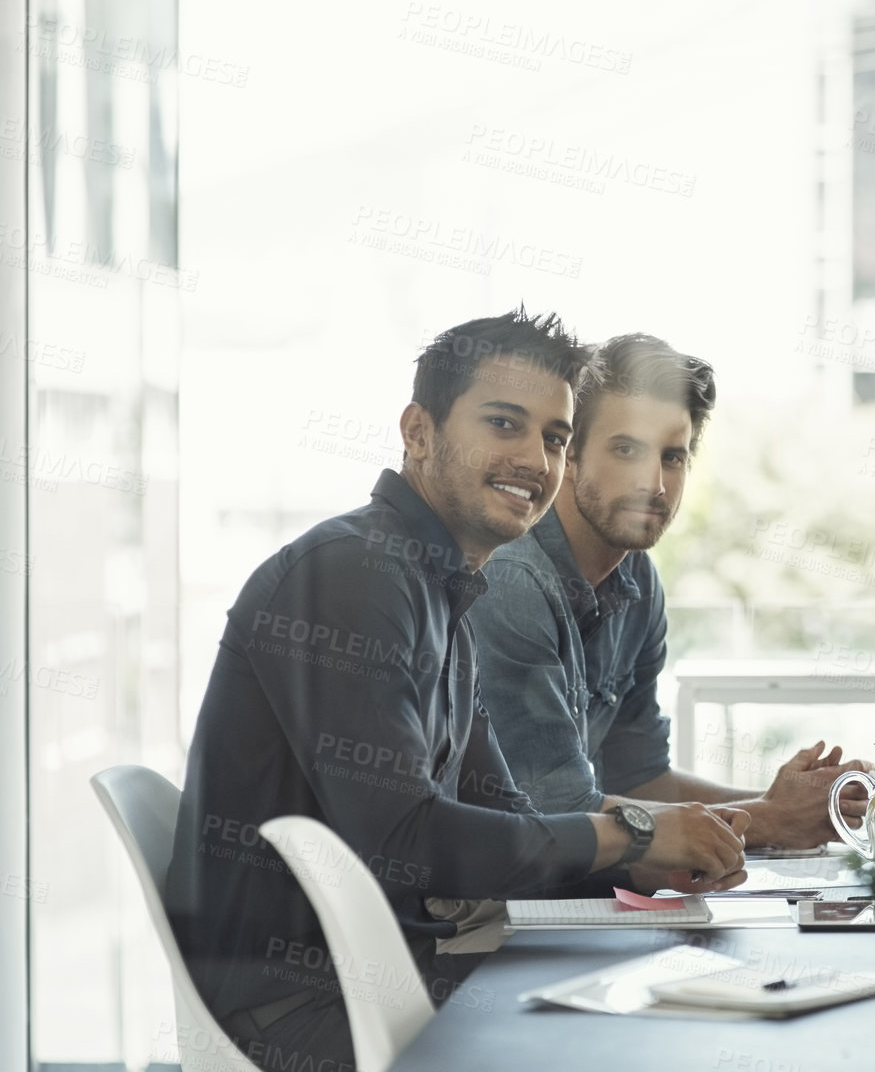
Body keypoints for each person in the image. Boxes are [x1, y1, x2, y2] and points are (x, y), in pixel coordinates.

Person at [166, 311, 750, 1072]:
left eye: (553, 437)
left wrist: (650, 858)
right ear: (418, 431)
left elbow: (508, 821)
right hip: (304, 1010)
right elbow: (409, 843)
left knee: (684, 1010)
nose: (535, 459)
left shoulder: (445, 591)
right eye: (504, 423)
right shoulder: (348, 575)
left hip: (406, 970)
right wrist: (637, 834)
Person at [472, 332, 866, 848]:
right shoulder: (511, 578)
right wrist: (769, 820)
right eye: (627, 449)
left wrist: (799, 810)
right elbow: (556, 810)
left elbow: (640, 780)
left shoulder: (637, 579)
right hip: (482, 903)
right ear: (567, 454)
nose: (654, 484)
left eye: (673, 456)